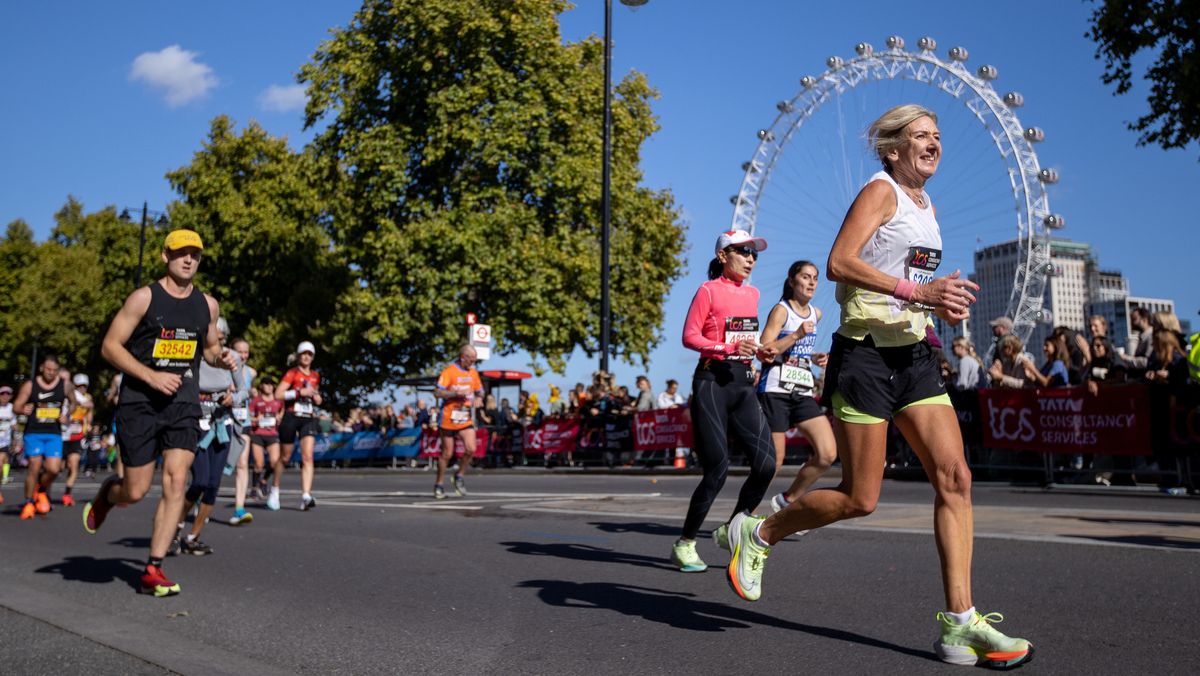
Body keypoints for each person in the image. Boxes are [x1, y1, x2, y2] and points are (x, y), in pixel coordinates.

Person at [723, 105, 1032, 668]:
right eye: (921, 136)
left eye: (937, 136)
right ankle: (760, 532)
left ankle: (961, 624)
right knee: (861, 498)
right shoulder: (881, 191)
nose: (933, 143)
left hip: (913, 356)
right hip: (864, 359)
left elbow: (908, 283)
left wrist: (940, 302)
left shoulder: (926, 204)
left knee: (956, 477)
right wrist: (919, 294)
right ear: (893, 149)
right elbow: (839, 262)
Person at [82, 229, 236, 597]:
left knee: (177, 482)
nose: (188, 260)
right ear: (165, 256)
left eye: (195, 254)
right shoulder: (144, 298)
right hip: (140, 403)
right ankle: (108, 495)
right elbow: (110, 346)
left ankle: (153, 567)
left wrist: (222, 357)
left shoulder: (208, 305)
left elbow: (210, 347)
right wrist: (151, 376)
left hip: (183, 404)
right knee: (134, 490)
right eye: (181, 253)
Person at [672, 228, 777, 573]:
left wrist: (761, 350)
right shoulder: (708, 290)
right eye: (743, 252)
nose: (750, 259)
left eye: (754, 254)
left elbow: (746, 337)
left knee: (765, 465)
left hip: (743, 382)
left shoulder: (754, 293)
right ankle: (685, 542)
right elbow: (690, 336)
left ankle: (729, 528)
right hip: (712, 382)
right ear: (722, 256)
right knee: (716, 469)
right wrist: (729, 348)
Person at [756, 260, 837, 512]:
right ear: (792, 282)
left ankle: (788, 499)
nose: (812, 282)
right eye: (805, 277)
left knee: (826, 454)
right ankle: (744, 513)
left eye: (815, 277)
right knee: (774, 461)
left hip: (802, 389)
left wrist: (814, 357)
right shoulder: (781, 311)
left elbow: (798, 352)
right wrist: (795, 336)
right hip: (775, 390)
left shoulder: (817, 313)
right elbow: (764, 350)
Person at [174, 317, 246, 555]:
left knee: (213, 485)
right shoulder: (194, 356)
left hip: (221, 423)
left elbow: (243, 389)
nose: (219, 343)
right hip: (197, 422)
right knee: (200, 480)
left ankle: (193, 536)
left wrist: (232, 398)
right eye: (215, 338)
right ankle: (175, 525)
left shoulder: (232, 358)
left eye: (222, 338)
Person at [13, 354, 76, 519]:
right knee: (34, 465)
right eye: (48, 369)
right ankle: (28, 503)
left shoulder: (65, 385)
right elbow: (17, 405)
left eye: (55, 370)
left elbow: (74, 402)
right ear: (41, 368)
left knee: (55, 469)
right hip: (34, 432)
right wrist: (22, 409)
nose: (51, 373)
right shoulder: (30, 385)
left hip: (54, 433)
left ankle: (40, 488)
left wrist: (67, 415)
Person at [274, 341, 322, 511]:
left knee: (308, 456)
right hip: (291, 416)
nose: (306, 356)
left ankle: (306, 495)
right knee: (285, 457)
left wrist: (317, 398)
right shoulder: (292, 373)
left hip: (307, 417)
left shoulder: (315, 376)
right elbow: (278, 394)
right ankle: (275, 489)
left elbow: (315, 394)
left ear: (313, 357)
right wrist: (298, 392)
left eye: (310, 354)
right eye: (304, 353)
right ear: (299, 355)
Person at [433, 344, 483, 499]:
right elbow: (437, 392)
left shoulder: (473, 373)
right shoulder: (449, 371)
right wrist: (455, 392)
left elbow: (479, 391)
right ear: (463, 357)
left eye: (475, 360)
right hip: (448, 417)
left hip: (464, 416)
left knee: (471, 448)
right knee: (447, 454)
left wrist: (479, 399)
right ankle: (439, 484)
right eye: (471, 360)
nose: (473, 363)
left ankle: (459, 476)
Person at [241, 375, 283, 520]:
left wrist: (279, 418)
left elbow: (281, 413)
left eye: (271, 384)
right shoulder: (256, 401)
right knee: (259, 463)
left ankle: (264, 481)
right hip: (258, 434)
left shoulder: (278, 402)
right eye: (266, 384)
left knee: (274, 462)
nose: (269, 386)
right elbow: (248, 417)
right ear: (261, 386)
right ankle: (254, 488)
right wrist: (255, 419)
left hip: (272, 434)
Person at [60, 373, 95, 506]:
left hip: (77, 434)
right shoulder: (69, 395)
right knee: (58, 467)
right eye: (80, 386)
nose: (82, 388)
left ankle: (67, 494)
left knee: (73, 464)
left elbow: (90, 410)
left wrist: (88, 422)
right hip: (63, 433)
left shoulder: (88, 398)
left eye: (84, 386)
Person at [0, 385, 14, 492]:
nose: (5, 396)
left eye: (7, 394)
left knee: (4, 459)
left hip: (5, 439)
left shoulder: (12, 408)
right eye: (2, 394)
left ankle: (4, 477)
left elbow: (15, 424)